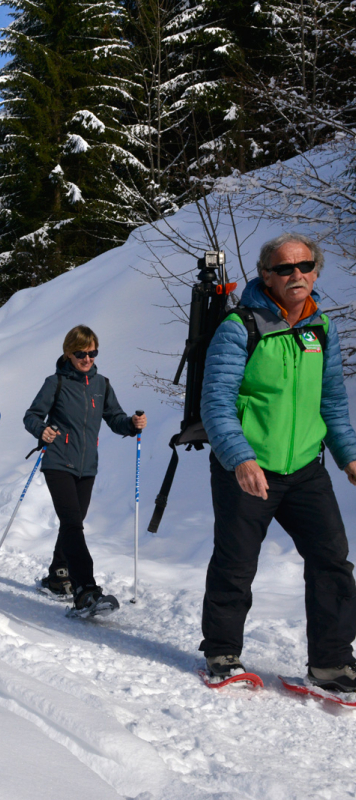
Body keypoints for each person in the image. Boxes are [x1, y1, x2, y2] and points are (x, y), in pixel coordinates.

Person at [200, 232, 356, 690]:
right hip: (249, 467)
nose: (297, 275)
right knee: (236, 562)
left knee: (331, 561)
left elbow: (332, 402)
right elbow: (216, 401)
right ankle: (222, 653)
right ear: (266, 275)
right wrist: (239, 457)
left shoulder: (321, 329)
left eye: (305, 266)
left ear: (316, 270)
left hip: (307, 467)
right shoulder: (239, 327)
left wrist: (349, 455)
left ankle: (331, 664)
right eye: (285, 268)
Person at [24, 325, 146, 615]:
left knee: (73, 522)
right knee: (72, 524)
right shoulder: (56, 382)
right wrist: (42, 431)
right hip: (57, 461)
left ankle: (58, 575)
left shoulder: (101, 384)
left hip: (87, 466)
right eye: (81, 353)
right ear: (69, 353)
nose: (87, 358)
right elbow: (31, 416)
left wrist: (131, 424)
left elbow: (114, 418)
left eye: (92, 353)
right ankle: (85, 590)